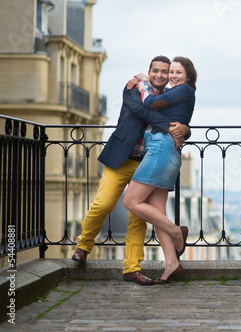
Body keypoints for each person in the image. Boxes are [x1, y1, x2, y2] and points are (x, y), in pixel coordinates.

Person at [72, 55, 190, 286]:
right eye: (155, 70)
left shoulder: (169, 97)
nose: (160, 75)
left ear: (168, 76)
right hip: (121, 158)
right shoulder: (134, 88)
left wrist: (185, 129)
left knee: (138, 217)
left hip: (146, 162)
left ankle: (132, 268)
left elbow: (181, 118)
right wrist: (169, 126)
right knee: (104, 203)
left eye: (164, 72)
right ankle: (83, 246)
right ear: (149, 71)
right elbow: (142, 111)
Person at [123, 56, 197, 284]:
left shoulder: (183, 90)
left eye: (178, 72)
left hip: (161, 149)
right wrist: (185, 129)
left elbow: (149, 104)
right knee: (157, 213)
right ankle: (172, 264)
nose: (173, 76)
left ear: (187, 76)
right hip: (167, 151)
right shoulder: (179, 93)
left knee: (131, 201)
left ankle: (176, 232)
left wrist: (144, 80)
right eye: (171, 72)